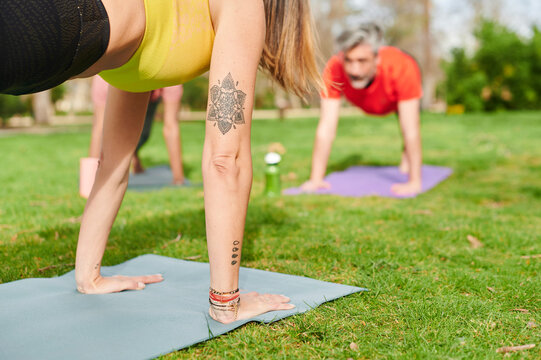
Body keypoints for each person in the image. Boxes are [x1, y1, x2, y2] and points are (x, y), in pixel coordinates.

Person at [1, 0, 322, 324]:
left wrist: (89, 277)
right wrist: (226, 303)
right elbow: (226, 159)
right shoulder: (242, 6)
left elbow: (112, 163)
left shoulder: (154, 40)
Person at [301, 23, 423, 196]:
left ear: (376, 58)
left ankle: (407, 159)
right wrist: (315, 179)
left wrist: (414, 182)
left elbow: (411, 129)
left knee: (405, 123)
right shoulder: (334, 68)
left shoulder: (403, 67)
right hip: (368, 102)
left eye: (362, 61)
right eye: (348, 60)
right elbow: (326, 128)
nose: (354, 70)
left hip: (393, 102)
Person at [86, 76, 185, 196]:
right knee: (104, 127)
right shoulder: (105, 79)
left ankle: (135, 159)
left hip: (151, 87)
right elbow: (99, 129)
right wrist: (89, 183)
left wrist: (179, 180)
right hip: (116, 76)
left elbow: (171, 126)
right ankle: (91, 180)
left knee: (143, 134)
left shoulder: (171, 74)